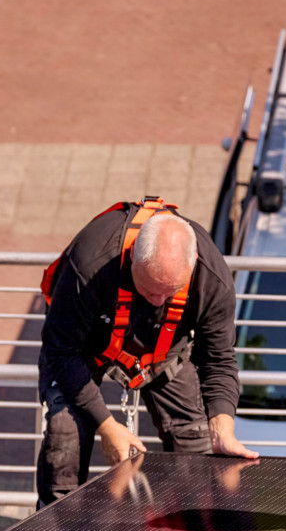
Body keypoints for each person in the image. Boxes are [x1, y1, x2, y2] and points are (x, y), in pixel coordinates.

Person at [37, 196, 257, 506]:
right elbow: (61, 351)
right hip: (84, 348)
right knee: (65, 440)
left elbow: (218, 359)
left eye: (171, 291)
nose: (158, 300)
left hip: (164, 352)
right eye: (151, 289)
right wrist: (106, 424)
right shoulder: (91, 263)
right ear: (131, 260)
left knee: (196, 441)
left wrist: (222, 425)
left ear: (192, 265)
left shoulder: (212, 277)